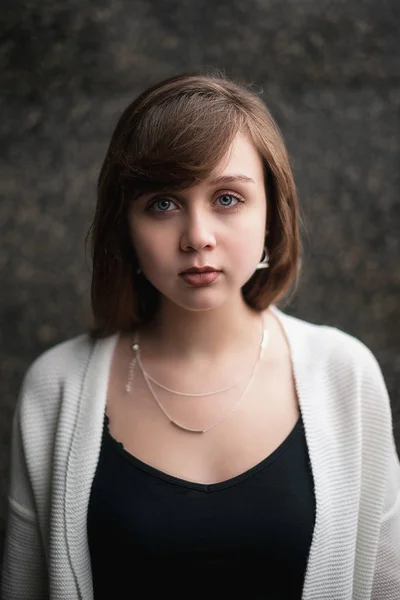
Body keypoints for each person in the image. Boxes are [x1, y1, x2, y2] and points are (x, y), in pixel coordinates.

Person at [1, 70, 399, 600]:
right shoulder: (55, 388)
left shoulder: (344, 375)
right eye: (163, 203)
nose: (197, 238)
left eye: (228, 199)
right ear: (125, 225)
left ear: (271, 216)